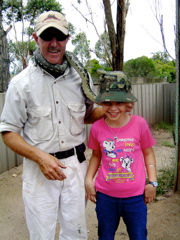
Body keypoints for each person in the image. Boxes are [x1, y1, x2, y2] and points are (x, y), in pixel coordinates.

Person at [0, 11, 134, 240]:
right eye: (47, 36)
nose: (54, 43)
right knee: (41, 234)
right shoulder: (21, 84)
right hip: (39, 169)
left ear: (67, 39)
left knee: (76, 233)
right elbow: (8, 131)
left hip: (76, 166)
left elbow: (88, 114)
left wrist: (116, 107)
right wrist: (41, 158)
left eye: (59, 36)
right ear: (36, 38)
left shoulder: (80, 77)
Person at [85, 72, 158, 240]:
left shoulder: (139, 124)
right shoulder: (96, 128)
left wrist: (152, 182)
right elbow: (96, 155)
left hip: (135, 197)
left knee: (139, 236)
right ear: (101, 103)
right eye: (107, 103)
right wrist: (89, 180)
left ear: (128, 104)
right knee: (105, 236)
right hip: (106, 197)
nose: (113, 108)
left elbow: (148, 153)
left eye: (119, 102)